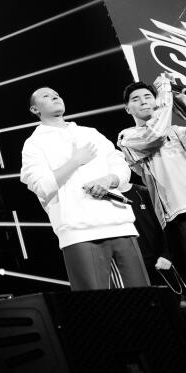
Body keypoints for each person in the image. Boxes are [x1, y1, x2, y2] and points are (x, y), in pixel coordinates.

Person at [20, 86, 148, 290]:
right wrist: (75, 161)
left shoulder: (90, 133)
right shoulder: (34, 144)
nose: (54, 96)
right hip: (79, 232)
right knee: (95, 306)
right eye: (46, 96)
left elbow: (120, 164)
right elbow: (41, 186)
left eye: (57, 93)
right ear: (35, 110)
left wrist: (109, 180)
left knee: (141, 300)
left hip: (120, 224)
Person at [117, 74, 186, 272]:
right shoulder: (127, 136)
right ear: (127, 108)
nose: (143, 101)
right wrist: (164, 93)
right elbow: (155, 135)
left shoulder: (177, 131)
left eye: (148, 96)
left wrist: (179, 102)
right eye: (135, 99)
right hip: (177, 214)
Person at [121, 184, 175, 286]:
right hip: (132, 264)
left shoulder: (144, 192)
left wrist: (167, 254)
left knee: (169, 298)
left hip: (159, 261)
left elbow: (164, 224)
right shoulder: (105, 200)